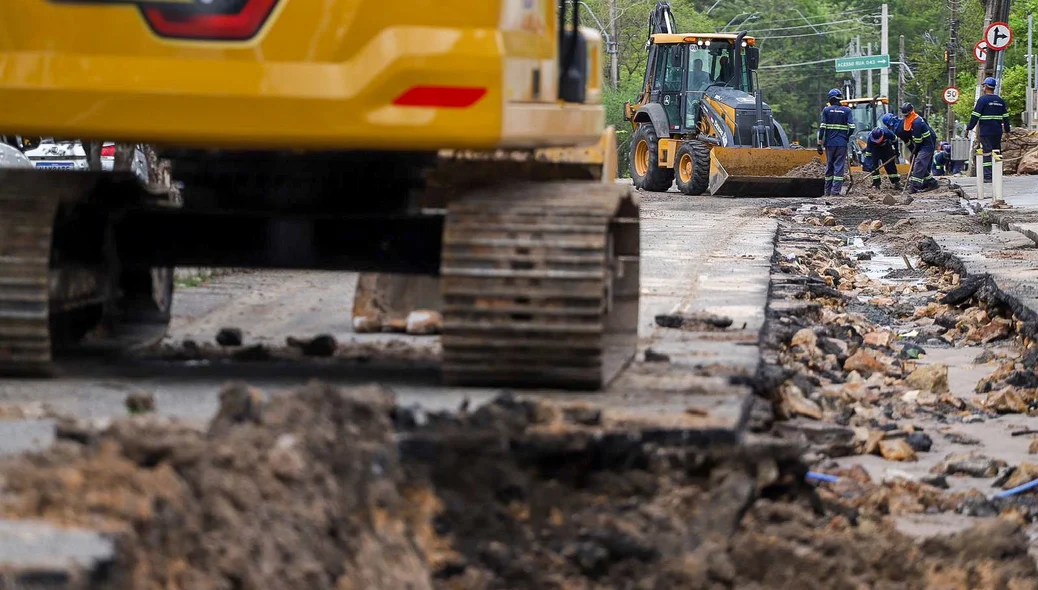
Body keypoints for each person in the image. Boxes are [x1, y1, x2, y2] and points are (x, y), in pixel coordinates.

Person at [966, 77, 1011, 183]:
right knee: (997, 151)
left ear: (985, 86)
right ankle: (997, 174)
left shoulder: (982, 100)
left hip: (986, 131)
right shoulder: (1000, 101)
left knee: (987, 152)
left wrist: (969, 128)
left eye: (983, 86)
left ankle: (987, 176)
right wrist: (1008, 131)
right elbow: (1006, 118)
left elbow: (975, 116)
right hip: (997, 131)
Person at [817, 88, 854, 196]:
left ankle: (827, 191)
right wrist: (846, 136)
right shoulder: (847, 111)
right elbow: (852, 127)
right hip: (841, 144)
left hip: (829, 144)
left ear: (831, 99)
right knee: (839, 167)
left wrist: (819, 144)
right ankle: (835, 192)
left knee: (829, 166)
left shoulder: (826, 110)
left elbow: (822, 128)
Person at [900, 103, 940, 194]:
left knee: (918, 164)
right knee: (918, 164)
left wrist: (915, 150)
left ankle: (914, 187)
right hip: (923, 145)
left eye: (906, 115)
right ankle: (932, 183)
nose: (905, 117)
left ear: (910, 112)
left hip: (926, 147)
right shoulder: (913, 119)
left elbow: (918, 140)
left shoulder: (917, 122)